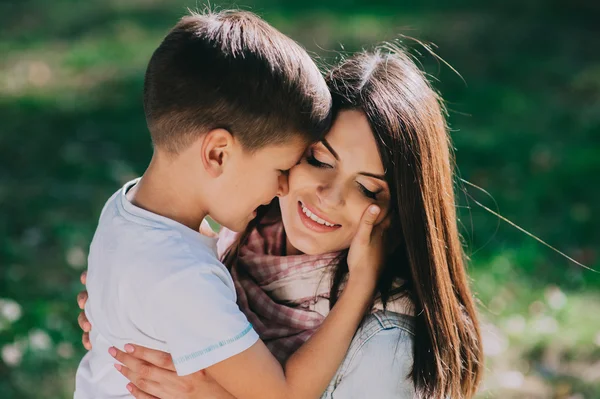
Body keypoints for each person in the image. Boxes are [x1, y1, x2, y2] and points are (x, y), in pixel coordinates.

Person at [77, 45, 484, 398]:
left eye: (367, 188)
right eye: (319, 160)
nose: (329, 196)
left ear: (398, 212)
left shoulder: (387, 343)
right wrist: (128, 316)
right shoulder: (239, 238)